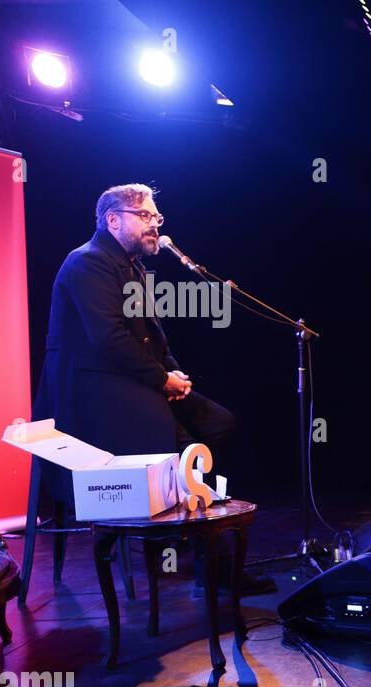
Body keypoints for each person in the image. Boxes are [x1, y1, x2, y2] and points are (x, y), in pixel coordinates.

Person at [34, 183, 270, 593]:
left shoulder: (133, 267)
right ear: (112, 220)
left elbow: (152, 338)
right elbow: (108, 338)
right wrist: (162, 381)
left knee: (219, 424)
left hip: (133, 381)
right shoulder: (87, 263)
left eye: (156, 217)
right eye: (144, 216)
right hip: (94, 398)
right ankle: (210, 567)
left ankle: (189, 534)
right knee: (176, 448)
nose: (154, 225)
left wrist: (175, 377)